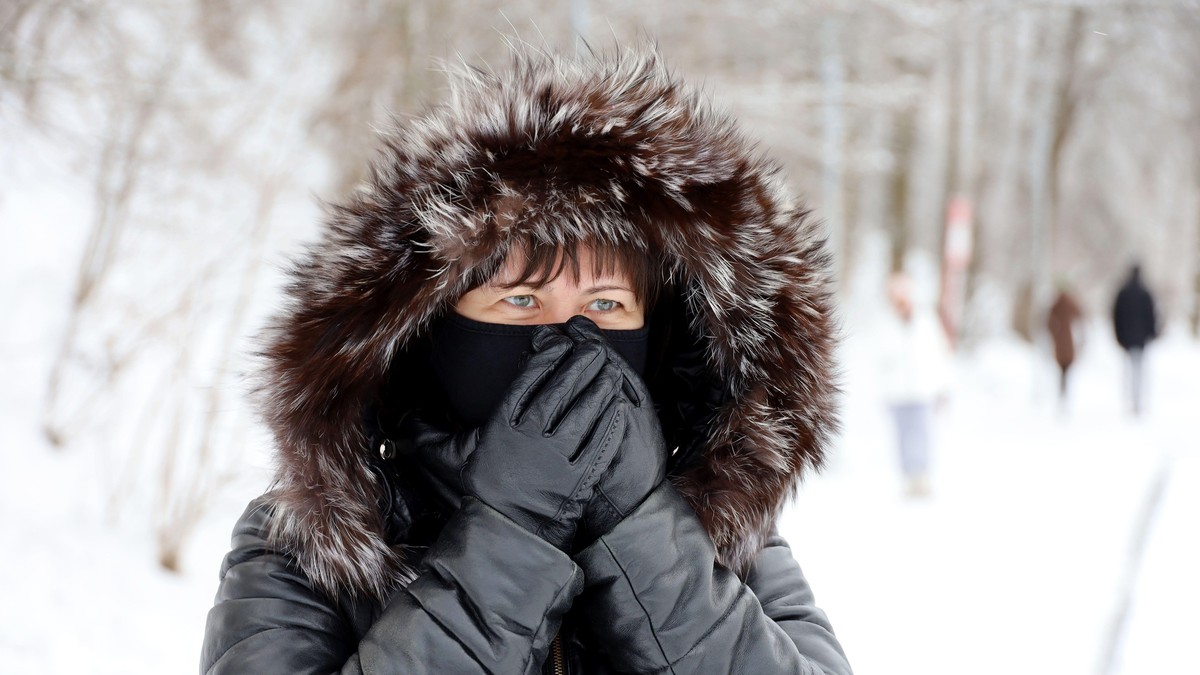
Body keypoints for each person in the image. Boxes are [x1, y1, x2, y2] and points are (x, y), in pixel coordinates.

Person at [200, 47, 852, 674]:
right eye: (520, 297)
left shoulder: (730, 544)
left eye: (604, 303)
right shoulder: (312, 543)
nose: (569, 340)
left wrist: (646, 537)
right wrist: (511, 536)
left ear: (660, 339)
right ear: (430, 323)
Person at [876, 271, 952, 498]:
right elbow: (878, 358)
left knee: (922, 435)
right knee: (902, 437)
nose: (900, 300)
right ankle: (908, 476)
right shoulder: (884, 323)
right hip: (896, 392)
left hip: (921, 390)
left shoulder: (926, 321)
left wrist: (943, 388)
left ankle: (922, 476)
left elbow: (939, 354)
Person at [1112, 264, 1158, 415]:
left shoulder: (1123, 293)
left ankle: (1130, 400)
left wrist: (1119, 336)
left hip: (1127, 339)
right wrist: (1151, 334)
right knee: (1138, 370)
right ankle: (1136, 400)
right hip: (1140, 339)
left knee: (1129, 370)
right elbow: (1151, 316)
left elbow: (1116, 315)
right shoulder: (1145, 293)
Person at [1046, 285, 1084, 403]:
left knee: (1062, 370)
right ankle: (1064, 392)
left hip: (1059, 343)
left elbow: (1048, 323)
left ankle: (1062, 392)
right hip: (1068, 343)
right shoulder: (1070, 304)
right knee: (1066, 369)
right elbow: (1080, 315)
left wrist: (1054, 333)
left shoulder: (1055, 304)